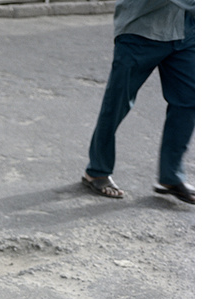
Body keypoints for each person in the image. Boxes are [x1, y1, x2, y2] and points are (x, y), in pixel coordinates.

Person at [82, 0, 195, 204]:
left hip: (185, 30)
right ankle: (97, 171)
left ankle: (171, 177)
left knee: (190, 100)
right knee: (117, 103)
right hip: (141, 29)